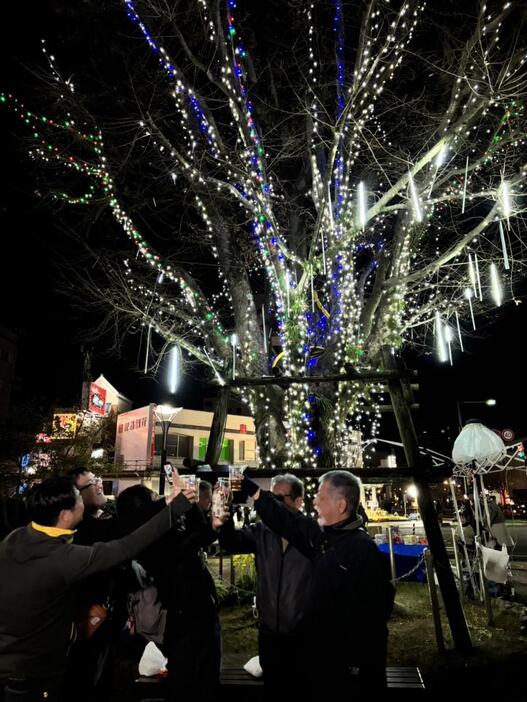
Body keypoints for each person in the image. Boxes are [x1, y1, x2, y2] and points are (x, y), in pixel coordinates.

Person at [0, 476, 194, 701]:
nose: (82, 501)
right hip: (36, 677)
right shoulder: (65, 558)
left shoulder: (16, 538)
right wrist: (177, 508)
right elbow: (127, 545)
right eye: (78, 499)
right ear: (65, 515)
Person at [238, 469, 394, 694]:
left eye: (321, 496)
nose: (315, 501)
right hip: (318, 664)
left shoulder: (363, 551)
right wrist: (251, 489)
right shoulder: (323, 537)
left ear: (340, 505)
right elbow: (287, 520)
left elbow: (373, 619)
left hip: (345, 674)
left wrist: (353, 666)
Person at [117, 479, 220, 702]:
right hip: (186, 617)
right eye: (155, 500)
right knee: (191, 682)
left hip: (196, 613)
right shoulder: (149, 541)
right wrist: (198, 517)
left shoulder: (163, 532)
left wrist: (191, 505)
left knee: (202, 678)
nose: (162, 503)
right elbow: (186, 547)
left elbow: (197, 536)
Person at [216, 474, 312, 699]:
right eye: (270, 497)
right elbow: (231, 543)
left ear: (298, 502)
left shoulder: (310, 533)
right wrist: (225, 516)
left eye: (279, 498)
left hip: (303, 635)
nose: (272, 503)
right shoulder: (262, 531)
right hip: (269, 634)